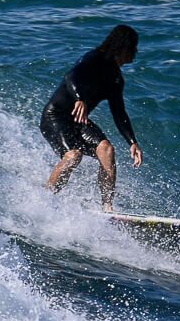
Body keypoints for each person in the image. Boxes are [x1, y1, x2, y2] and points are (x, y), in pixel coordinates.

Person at [40, 24, 143, 212]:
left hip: (78, 122)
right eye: (133, 47)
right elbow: (71, 76)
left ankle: (107, 207)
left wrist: (132, 142)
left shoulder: (116, 80)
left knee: (107, 149)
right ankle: (45, 199)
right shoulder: (94, 59)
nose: (136, 52)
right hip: (55, 118)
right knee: (73, 156)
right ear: (123, 47)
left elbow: (119, 113)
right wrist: (79, 99)